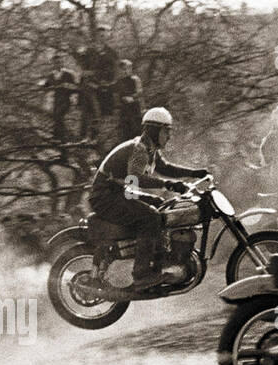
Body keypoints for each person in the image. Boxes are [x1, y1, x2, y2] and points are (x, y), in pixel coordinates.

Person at [88, 107, 212, 289]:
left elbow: (166, 167)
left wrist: (194, 173)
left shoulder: (149, 148)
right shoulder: (139, 149)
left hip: (120, 193)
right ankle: (142, 274)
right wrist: (168, 184)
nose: (169, 136)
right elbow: (135, 178)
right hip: (105, 197)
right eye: (166, 131)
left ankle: (158, 258)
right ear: (155, 130)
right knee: (151, 217)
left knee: (161, 205)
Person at [38, 54, 80, 142]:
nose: (58, 64)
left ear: (62, 63)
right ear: (53, 64)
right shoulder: (51, 75)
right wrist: (41, 84)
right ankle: (58, 138)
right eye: (56, 63)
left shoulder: (69, 74)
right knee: (56, 117)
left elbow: (77, 87)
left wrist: (68, 86)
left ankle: (62, 137)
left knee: (58, 115)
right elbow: (45, 86)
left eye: (59, 62)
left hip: (67, 100)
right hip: (56, 100)